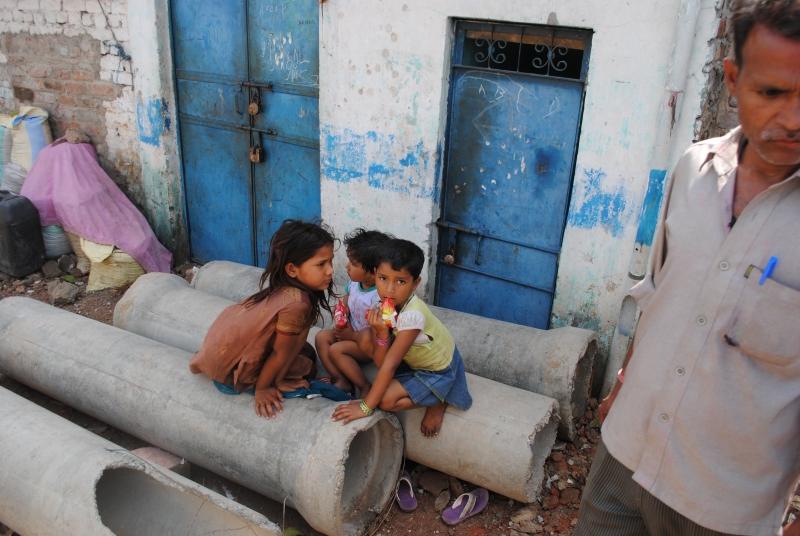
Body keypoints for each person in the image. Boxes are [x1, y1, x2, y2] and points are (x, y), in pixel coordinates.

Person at [575, 1, 800, 534]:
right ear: (733, 79)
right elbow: (657, 292)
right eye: (772, 93)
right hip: (625, 454)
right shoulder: (694, 170)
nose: (793, 119)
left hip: (722, 504)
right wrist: (623, 385)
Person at [189, 220, 335, 419]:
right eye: (321, 264)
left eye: (330, 261)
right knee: (307, 366)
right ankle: (263, 381)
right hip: (230, 372)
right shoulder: (297, 304)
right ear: (292, 269)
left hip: (217, 353)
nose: (330, 271)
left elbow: (296, 340)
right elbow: (278, 352)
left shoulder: (286, 290)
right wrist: (264, 388)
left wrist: (281, 375)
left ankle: (276, 376)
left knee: (306, 352)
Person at [331, 238, 472, 436]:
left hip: (438, 369)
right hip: (411, 361)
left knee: (384, 401)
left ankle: (440, 399)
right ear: (374, 275)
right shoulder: (384, 304)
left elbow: (388, 365)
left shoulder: (412, 317)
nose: (389, 289)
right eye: (383, 278)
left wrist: (365, 407)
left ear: (415, 283)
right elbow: (381, 362)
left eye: (401, 281)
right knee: (365, 337)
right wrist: (381, 333)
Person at [315, 228, 389, 393]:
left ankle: (364, 386)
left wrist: (351, 336)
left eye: (354, 264)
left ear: (374, 271)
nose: (347, 267)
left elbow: (378, 330)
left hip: (368, 345)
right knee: (321, 337)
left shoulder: (380, 296)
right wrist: (341, 312)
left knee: (336, 350)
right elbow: (346, 300)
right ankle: (340, 380)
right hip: (349, 333)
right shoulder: (355, 284)